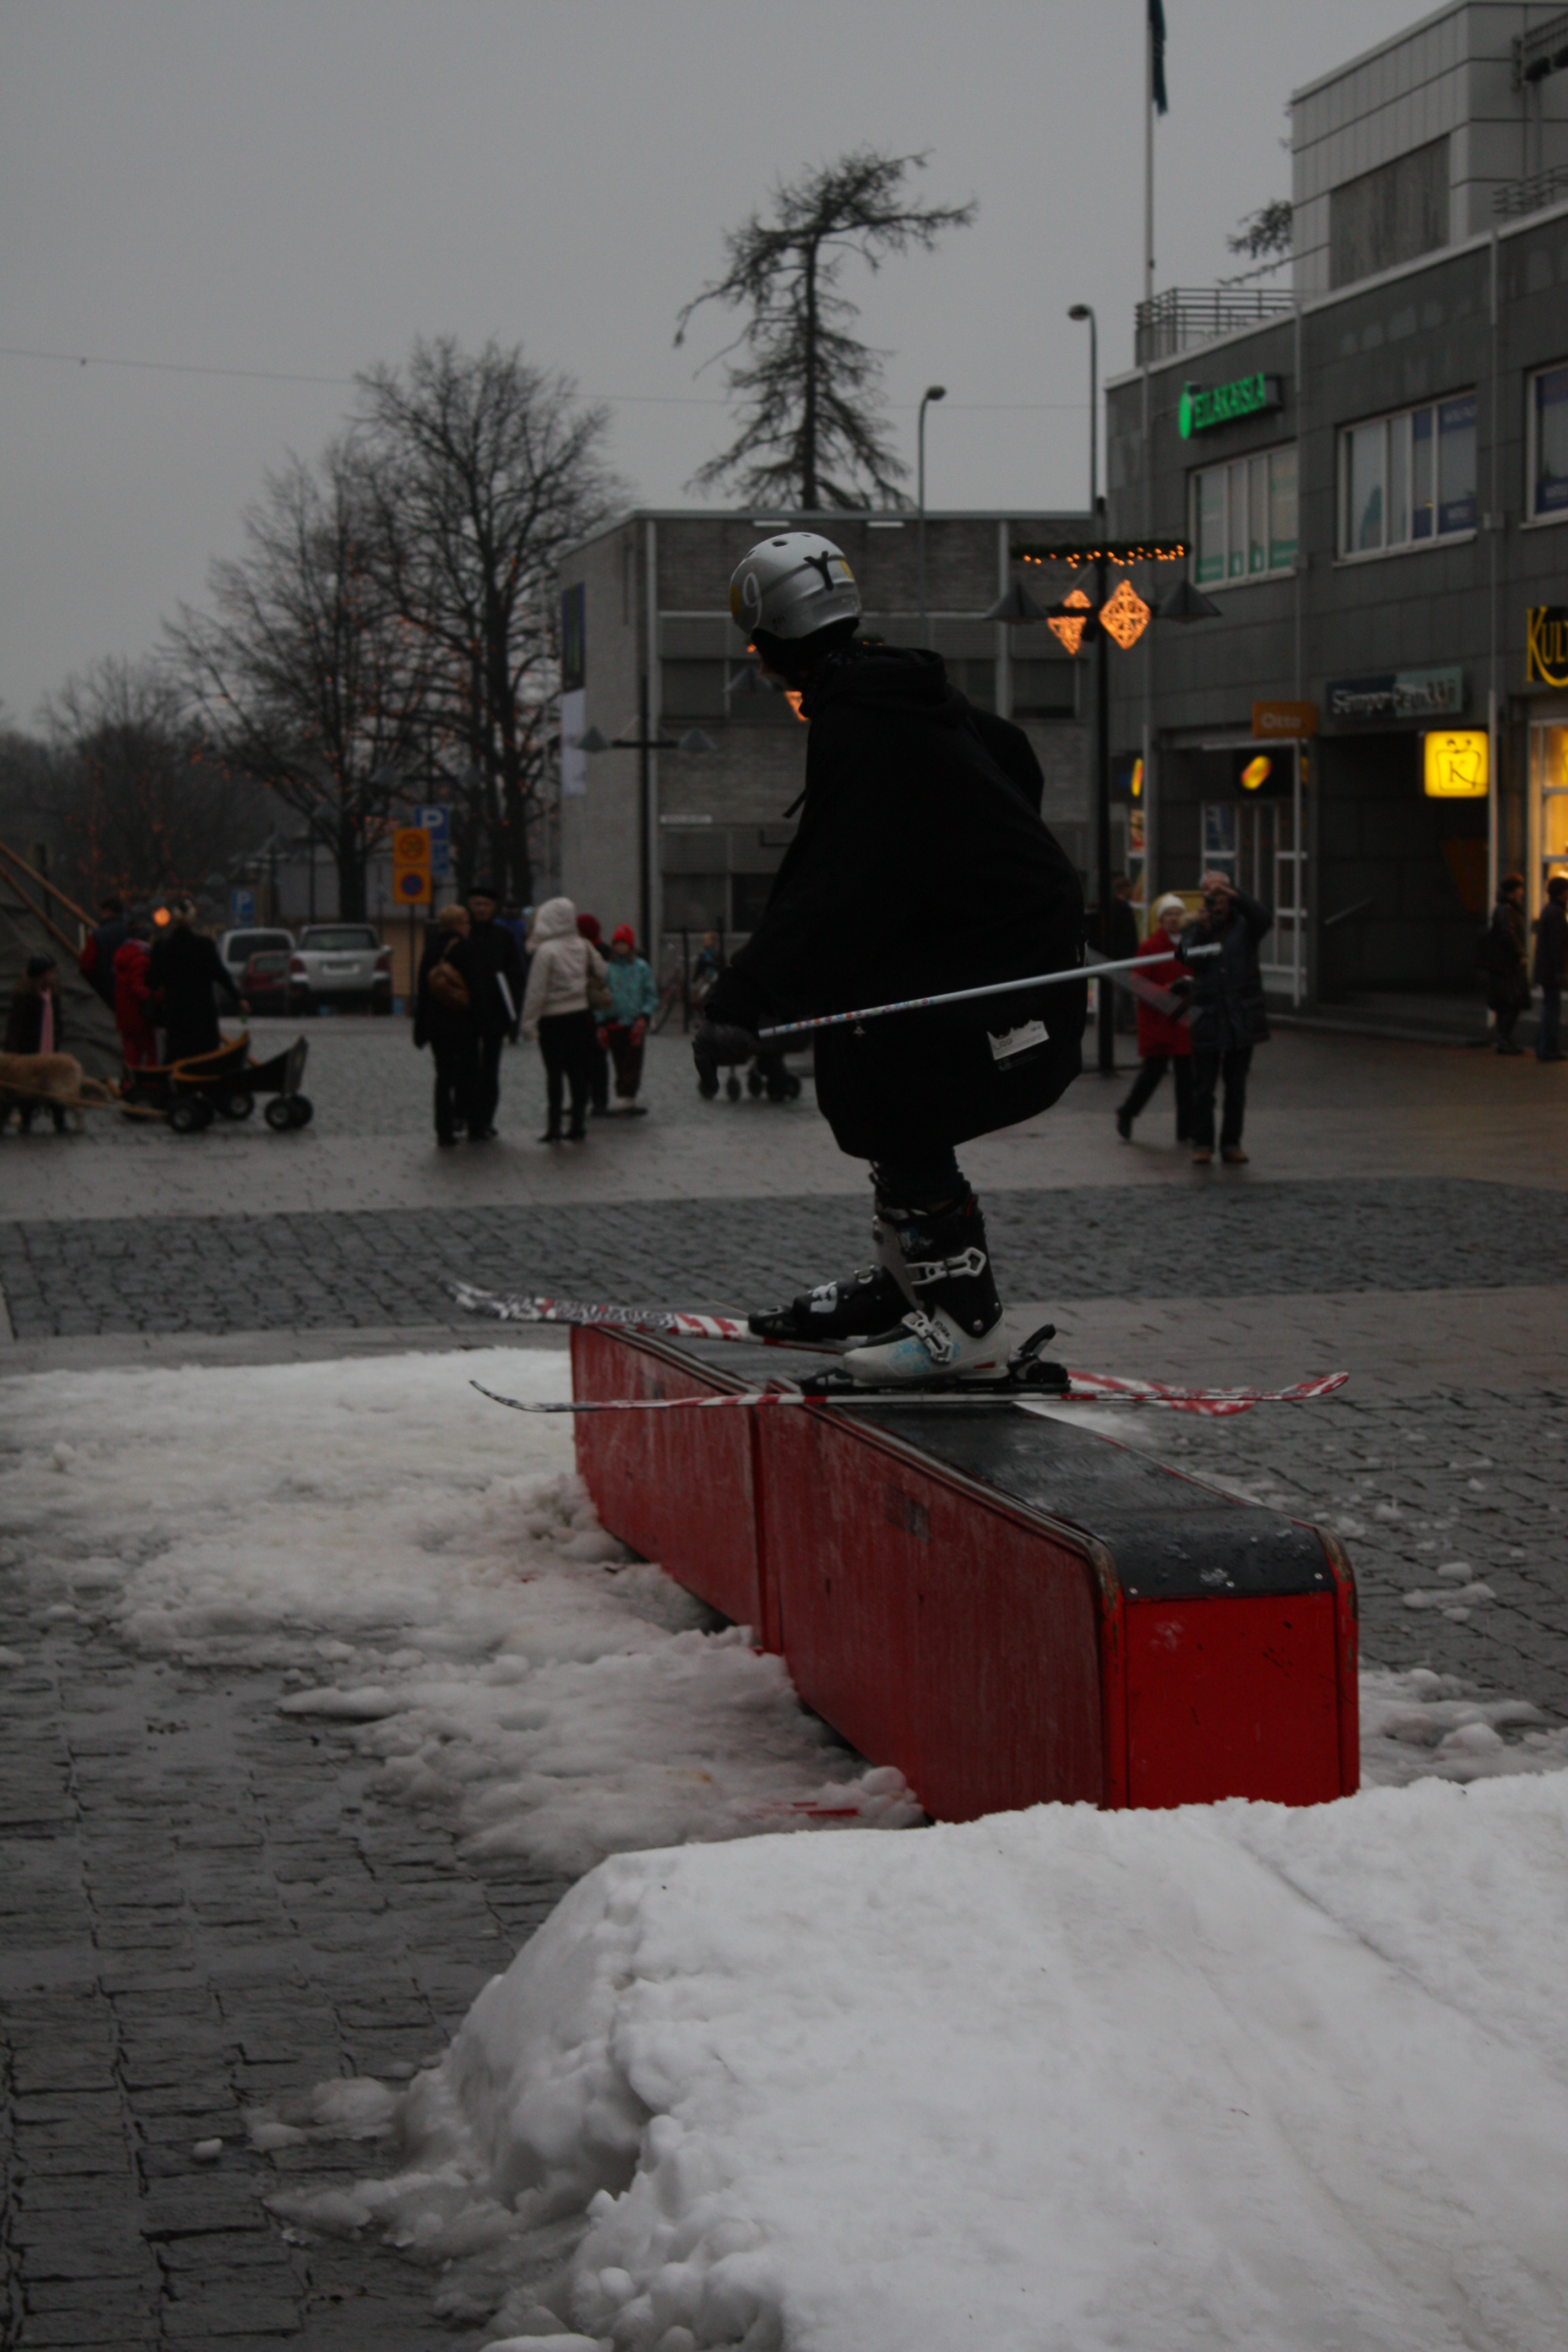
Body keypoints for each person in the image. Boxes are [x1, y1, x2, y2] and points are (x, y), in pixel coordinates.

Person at [696, 530, 1085, 1386]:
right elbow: (1010, 754)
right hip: (1012, 936)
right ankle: (915, 1279)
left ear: (775, 642)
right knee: (865, 1053)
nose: (762, 670)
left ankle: (963, 1317)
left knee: (893, 1068)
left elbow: (835, 877)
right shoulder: (902, 691)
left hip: (1007, 958)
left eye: (759, 653)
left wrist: (741, 998)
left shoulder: (860, 718)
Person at [1177, 871, 1272, 1166]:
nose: (1216, 899)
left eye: (1221, 893)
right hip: (1208, 1017)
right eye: (1210, 893)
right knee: (1203, 1088)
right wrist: (1204, 928)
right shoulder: (1195, 928)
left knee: (1236, 1087)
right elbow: (1188, 958)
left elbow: (1264, 919)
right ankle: (1202, 1143)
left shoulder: (1246, 926)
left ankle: (1231, 1142)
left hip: (1241, 1017)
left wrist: (1237, 896)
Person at [521, 896, 607, 1143]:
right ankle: (578, 1124)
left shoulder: (546, 951)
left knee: (554, 1073)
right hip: (580, 1014)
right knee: (577, 1071)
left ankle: (555, 1126)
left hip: (552, 1019)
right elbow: (603, 971)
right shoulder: (583, 945)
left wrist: (528, 1023)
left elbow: (536, 991)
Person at [1115, 894, 1194, 1144]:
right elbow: (1138, 983)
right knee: (1152, 1075)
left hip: (1183, 1021)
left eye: (1178, 914)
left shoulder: (1190, 946)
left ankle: (1186, 1130)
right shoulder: (1150, 948)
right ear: (1161, 920)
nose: (1174, 919)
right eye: (1169, 914)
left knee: (1187, 1080)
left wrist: (1189, 988)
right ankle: (1128, 1111)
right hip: (1158, 1022)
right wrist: (1169, 992)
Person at [146, 900, 245, 1062]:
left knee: (177, 1062)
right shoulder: (204, 946)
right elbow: (221, 976)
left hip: (176, 1019)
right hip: (203, 1020)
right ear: (193, 920)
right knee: (206, 1064)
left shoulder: (162, 947)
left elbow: (152, 982)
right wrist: (239, 999)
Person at [463, 884, 526, 1139]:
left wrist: (513, 1014)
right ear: (470, 906)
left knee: (490, 1070)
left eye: (486, 905)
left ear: (493, 908)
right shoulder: (463, 933)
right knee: (466, 1069)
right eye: (477, 904)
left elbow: (516, 975)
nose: (481, 909)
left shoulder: (503, 936)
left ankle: (486, 1119)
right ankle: (467, 1117)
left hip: (494, 1013)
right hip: (465, 1013)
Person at [413, 903, 478, 1146]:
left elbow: (423, 992)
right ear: (458, 925)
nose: (469, 927)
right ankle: (468, 1119)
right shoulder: (466, 949)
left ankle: (443, 1129)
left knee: (443, 1076)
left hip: (437, 1025)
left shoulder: (431, 950)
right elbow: (476, 989)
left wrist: (420, 1029)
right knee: (469, 1072)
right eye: (466, 922)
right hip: (464, 1023)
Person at [3, 956, 70, 1133]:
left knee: (54, 1085)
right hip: (29, 1050)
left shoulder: (52, 995)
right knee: (27, 1089)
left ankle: (60, 1121)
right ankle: (26, 1121)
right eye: (51, 973)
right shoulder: (24, 996)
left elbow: (58, 1020)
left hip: (49, 1047)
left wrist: (58, 1036)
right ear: (41, 976)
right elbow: (15, 1025)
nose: (54, 977)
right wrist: (13, 1050)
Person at [599, 925, 658, 1113]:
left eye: (624, 943)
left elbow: (651, 994)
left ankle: (628, 1094)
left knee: (633, 1060)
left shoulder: (641, 968)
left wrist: (645, 1015)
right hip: (614, 1022)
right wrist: (601, 1020)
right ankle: (623, 1093)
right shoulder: (608, 969)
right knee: (618, 1060)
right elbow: (600, 996)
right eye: (617, 943)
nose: (620, 947)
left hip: (634, 1023)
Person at [1476, 873, 1531, 1056]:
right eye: (1520, 889)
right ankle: (1505, 1039)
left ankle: (1504, 1039)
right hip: (1507, 965)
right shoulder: (1507, 910)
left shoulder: (1505, 909)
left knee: (1507, 1003)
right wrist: (1520, 954)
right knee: (1511, 1002)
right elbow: (1508, 935)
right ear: (1513, 892)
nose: (1522, 892)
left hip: (1505, 965)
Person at [111, 913, 159, 1070]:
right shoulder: (142, 958)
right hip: (139, 1016)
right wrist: (153, 997)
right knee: (150, 1053)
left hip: (124, 1015)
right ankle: (150, 1085)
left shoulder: (123, 955)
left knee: (130, 1055)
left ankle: (129, 1084)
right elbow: (137, 987)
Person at [575, 913, 612, 1113]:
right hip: (588, 1010)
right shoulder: (596, 949)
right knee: (587, 1058)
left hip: (595, 1011)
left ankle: (598, 1099)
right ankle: (591, 1097)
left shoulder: (597, 950)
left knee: (595, 1058)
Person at [1533, 873, 1568, 1063]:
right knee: (1552, 1009)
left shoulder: (1550, 910)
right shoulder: (1556, 913)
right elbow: (1557, 945)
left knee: (1550, 1007)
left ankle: (1543, 1046)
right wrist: (1560, 970)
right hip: (1551, 971)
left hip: (1545, 969)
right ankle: (1548, 1048)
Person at [77, 895, 129, 1010]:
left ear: (108, 912)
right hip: (126, 989)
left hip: (103, 990)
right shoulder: (131, 933)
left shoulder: (97, 936)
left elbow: (87, 966)